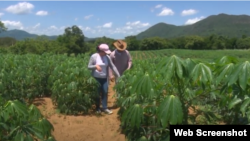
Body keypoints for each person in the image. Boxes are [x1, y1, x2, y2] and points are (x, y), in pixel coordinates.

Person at [87, 43, 120, 114]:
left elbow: (113, 66)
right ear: (101, 51)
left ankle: (105, 108)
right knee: (97, 93)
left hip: (105, 78)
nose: (106, 53)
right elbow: (89, 67)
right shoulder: (94, 56)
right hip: (96, 78)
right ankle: (97, 108)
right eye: (105, 52)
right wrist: (95, 66)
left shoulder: (107, 57)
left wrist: (118, 75)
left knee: (105, 92)